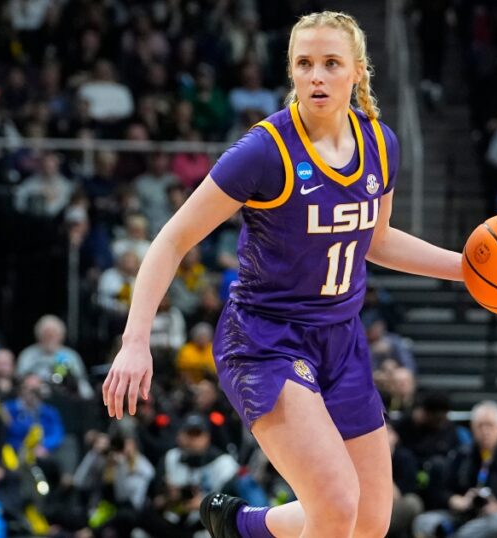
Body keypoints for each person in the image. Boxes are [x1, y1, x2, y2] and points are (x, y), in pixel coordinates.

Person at [102, 11, 464, 538]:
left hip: (341, 338)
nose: (317, 75)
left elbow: (377, 240)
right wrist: (135, 342)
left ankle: (243, 527)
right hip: (265, 339)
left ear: (357, 72)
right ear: (291, 72)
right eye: (305, 64)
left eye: (331, 63)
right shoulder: (263, 151)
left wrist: (466, 271)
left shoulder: (382, 143)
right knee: (337, 505)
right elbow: (172, 240)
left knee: (370, 522)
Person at [411, 401, 497, 538]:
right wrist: (457, 501)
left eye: (490, 425)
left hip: (495, 515)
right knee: (423, 522)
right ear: (472, 427)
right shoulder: (461, 454)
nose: (485, 431)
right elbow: (442, 490)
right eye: (480, 425)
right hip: (463, 513)